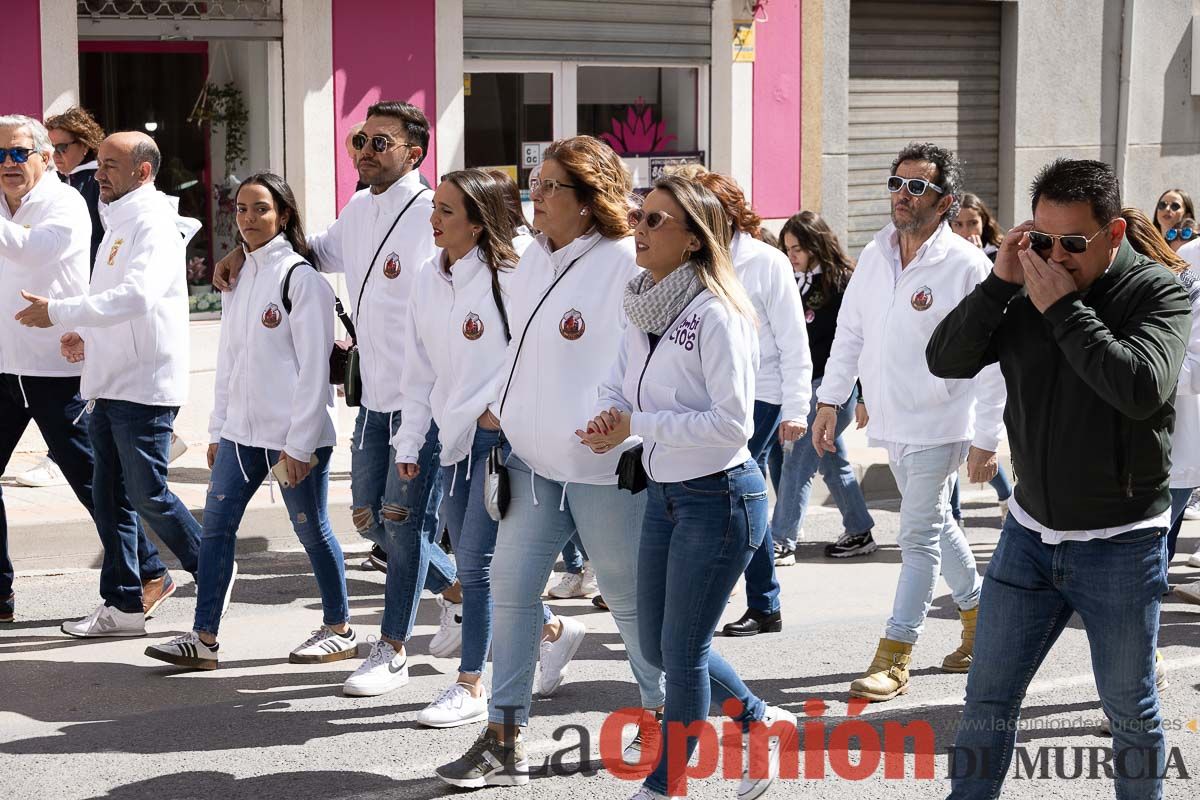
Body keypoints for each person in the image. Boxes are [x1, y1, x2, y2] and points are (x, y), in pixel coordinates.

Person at [928, 159, 1189, 800]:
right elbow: (945, 358)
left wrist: (1066, 311)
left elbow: (1140, 388)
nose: (1055, 257)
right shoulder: (1022, 286)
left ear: (1115, 234)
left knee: (1130, 711)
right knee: (986, 702)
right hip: (1029, 532)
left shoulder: (1159, 291)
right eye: (1041, 239)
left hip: (1123, 539)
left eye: (1073, 243)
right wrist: (997, 283)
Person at [435, 136, 665, 789]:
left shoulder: (628, 263)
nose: (534, 196)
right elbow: (513, 347)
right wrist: (496, 405)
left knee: (627, 602)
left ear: (589, 201)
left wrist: (621, 416)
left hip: (605, 470)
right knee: (510, 591)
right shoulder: (534, 258)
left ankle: (667, 719)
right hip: (533, 464)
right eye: (533, 184)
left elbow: (651, 360)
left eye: (549, 188)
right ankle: (503, 741)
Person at [214, 101, 466, 681]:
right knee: (370, 523)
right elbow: (312, 252)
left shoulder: (433, 213)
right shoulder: (358, 208)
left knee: (402, 526)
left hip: (421, 403)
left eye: (381, 143)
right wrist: (244, 251)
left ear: (414, 153)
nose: (366, 152)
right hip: (375, 400)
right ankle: (483, 599)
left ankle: (392, 649)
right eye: (360, 140)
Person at [580, 174, 795, 800]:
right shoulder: (644, 301)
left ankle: (665, 784)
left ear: (695, 240)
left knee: (683, 652)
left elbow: (732, 425)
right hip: (666, 493)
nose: (638, 230)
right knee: (657, 642)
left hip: (721, 498)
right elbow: (618, 382)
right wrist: (608, 417)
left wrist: (636, 425)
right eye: (640, 216)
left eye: (655, 221)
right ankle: (759, 723)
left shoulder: (717, 314)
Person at [810, 142, 1005, 702]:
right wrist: (831, 400)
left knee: (917, 535)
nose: (902, 194)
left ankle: (896, 654)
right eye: (897, 182)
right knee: (937, 523)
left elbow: (993, 361)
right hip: (893, 421)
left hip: (943, 422)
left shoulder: (968, 265)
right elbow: (851, 332)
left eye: (916, 186)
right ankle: (980, 623)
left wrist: (987, 439)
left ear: (944, 201)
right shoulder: (875, 252)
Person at [144, 172, 349, 668]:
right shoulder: (236, 277)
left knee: (312, 530)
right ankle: (203, 638)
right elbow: (229, 361)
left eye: (261, 209)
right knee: (215, 530)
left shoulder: (302, 279)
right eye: (241, 209)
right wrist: (217, 429)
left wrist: (299, 446)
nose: (250, 219)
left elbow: (313, 372)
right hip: (240, 437)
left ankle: (339, 627)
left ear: (283, 214)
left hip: (293, 441)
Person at [17, 132, 203, 637]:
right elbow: (112, 299)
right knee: (110, 498)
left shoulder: (153, 223)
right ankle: (122, 606)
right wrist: (84, 333)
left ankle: (212, 572)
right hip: (109, 381)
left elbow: (136, 297)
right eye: (99, 163)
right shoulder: (117, 217)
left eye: (111, 165)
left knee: (149, 497)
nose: (98, 173)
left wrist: (58, 311)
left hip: (143, 387)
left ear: (143, 172)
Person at [385, 168, 521, 725]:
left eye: (446, 210)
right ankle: (555, 633)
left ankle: (470, 686)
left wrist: (498, 409)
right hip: (448, 436)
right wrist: (411, 438)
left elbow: (528, 355)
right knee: (475, 560)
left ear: (478, 220)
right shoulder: (426, 276)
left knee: (476, 564)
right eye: (434, 207)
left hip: (496, 436)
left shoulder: (509, 275)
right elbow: (418, 368)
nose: (433, 218)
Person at [670, 167, 813, 639]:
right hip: (709, 390)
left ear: (728, 213)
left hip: (762, 393)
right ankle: (733, 590)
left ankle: (763, 601)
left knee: (737, 490)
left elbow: (794, 340)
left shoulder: (767, 262)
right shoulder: (691, 259)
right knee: (721, 492)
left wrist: (796, 408)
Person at [0, 115, 93, 624]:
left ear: (44, 155)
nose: (8, 165)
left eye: (17, 153)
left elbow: (31, 250)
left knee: (89, 479)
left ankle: (148, 572)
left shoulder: (66, 203)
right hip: (2, 366)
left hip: (56, 367)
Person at [769, 211, 876, 563]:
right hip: (809, 384)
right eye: (787, 249)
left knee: (799, 459)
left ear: (816, 243)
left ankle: (782, 540)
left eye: (798, 248)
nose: (792, 255)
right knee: (831, 460)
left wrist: (862, 395)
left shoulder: (844, 281)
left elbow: (859, 342)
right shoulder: (796, 280)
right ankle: (859, 530)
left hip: (835, 388)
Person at [11, 109, 106, 492]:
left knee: (93, 479)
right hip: (17, 357)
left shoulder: (80, 190)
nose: (56, 152)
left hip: (73, 326)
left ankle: (145, 554)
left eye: (61, 146)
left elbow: (44, 250)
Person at [948, 193, 1013, 523]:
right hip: (954, 360)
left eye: (971, 222)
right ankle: (953, 514)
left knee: (976, 438)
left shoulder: (998, 256)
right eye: (957, 223)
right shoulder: (945, 254)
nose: (964, 229)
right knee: (953, 443)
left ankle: (1006, 495)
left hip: (986, 360)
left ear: (985, 222)